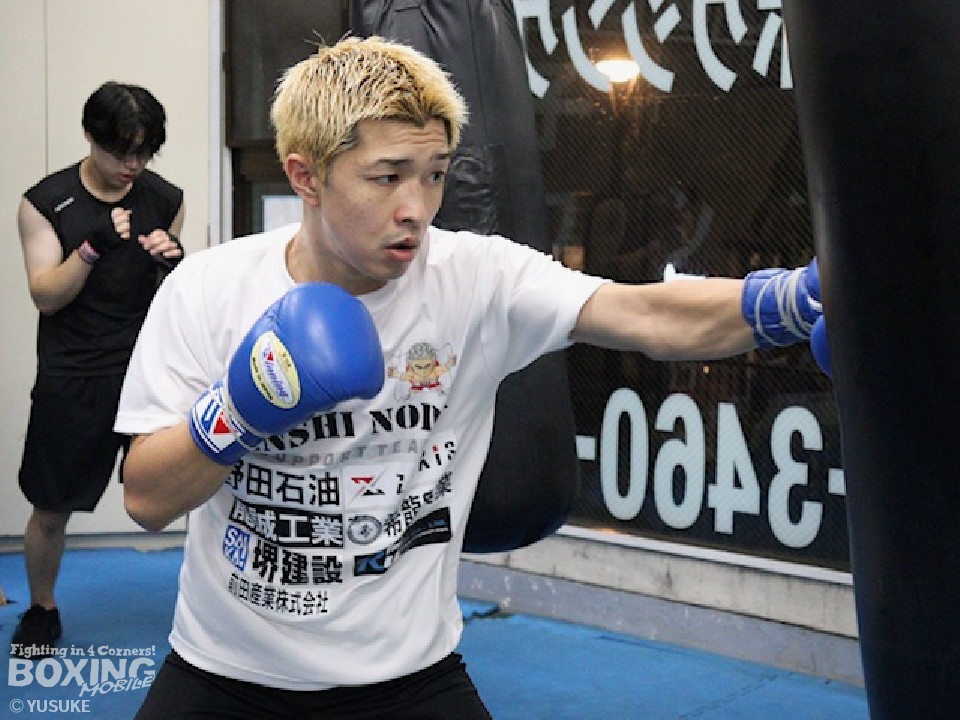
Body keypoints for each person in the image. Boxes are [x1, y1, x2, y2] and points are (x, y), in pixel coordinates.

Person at [115, 36, 820, 719]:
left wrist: (792, 302)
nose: (416, 208)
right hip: (227, 673)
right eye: (387, 177)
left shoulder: (477, 279)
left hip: (407, 678)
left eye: (435, 174)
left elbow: (644, 313)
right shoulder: (209, 289)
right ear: (306, 177)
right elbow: (146, 498)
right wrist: (241, 409)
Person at [12, 81, 184, 659]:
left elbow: (169, 295)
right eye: (121, 152)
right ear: (90, 136)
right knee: (51, 506)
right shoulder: (45, 203)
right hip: (74, 375)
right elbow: (45, 296)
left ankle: (211, 605)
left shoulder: (165, 198)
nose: (132, 165)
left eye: (144, 153)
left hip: (146, 373)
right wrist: (90, 248)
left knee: (188, 491)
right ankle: (42, 607)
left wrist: (173, 263)